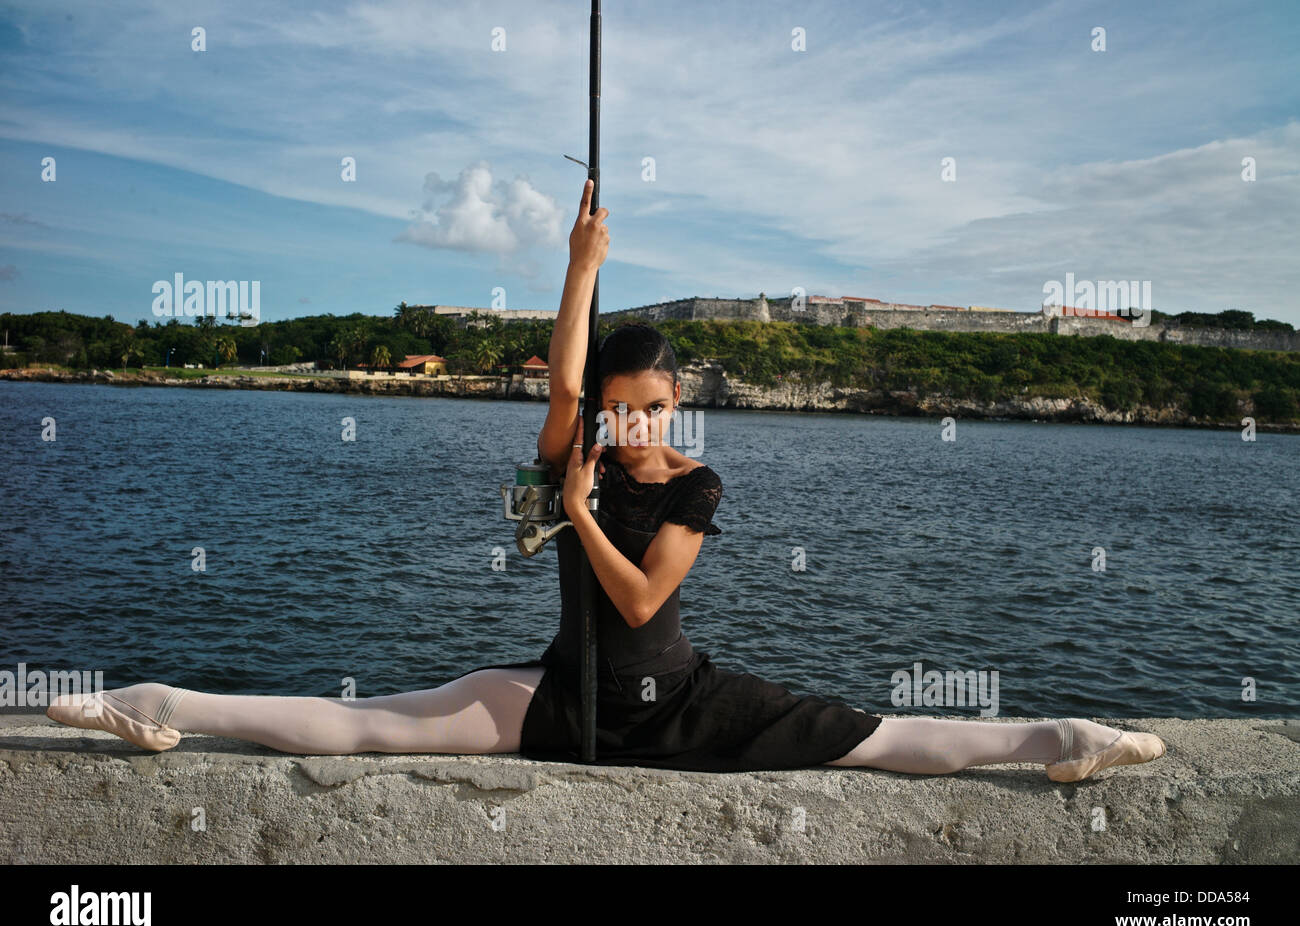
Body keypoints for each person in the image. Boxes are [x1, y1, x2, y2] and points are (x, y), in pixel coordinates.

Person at [48, 179, 1166, 782]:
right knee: (357, 726)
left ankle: (1063, 739)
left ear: (677, 400)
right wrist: (580, 267)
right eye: (615, 401)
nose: (629, 417)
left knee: (877, 736)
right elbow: (565, 379)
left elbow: (641, 600)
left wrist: (579, 511)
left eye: (651, 402)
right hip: (567, 694)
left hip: (677, 697)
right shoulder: (571, 447)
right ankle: (152, 706)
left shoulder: (694, 483)